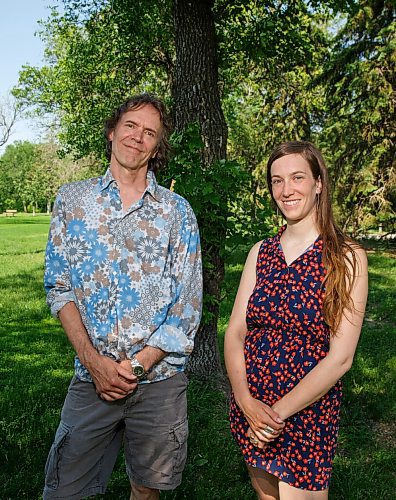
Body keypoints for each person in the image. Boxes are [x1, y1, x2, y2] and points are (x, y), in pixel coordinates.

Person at [43, 93, 202, 499]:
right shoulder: (72, 201)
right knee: (64, 490)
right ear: (112, 131)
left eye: (150, 132)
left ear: (157, 145)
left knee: (147, 491)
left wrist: (135, 367)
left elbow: (186, 307)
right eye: (131, 125)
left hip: (160, 381)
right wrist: (94, 363)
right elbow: (60, 289)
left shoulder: (176, 212)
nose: (138, 137)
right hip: (91, 378)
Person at [224, 141, 368, 499]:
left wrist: (274, 415)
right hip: (252, 407)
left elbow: (341, 357)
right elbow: (235, 332)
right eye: (277, 181)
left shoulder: (346, 257)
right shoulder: (261, 252)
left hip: (306, 414)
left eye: (297, 177)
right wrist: (245, 401)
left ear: (319, 183)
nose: (286, 190)